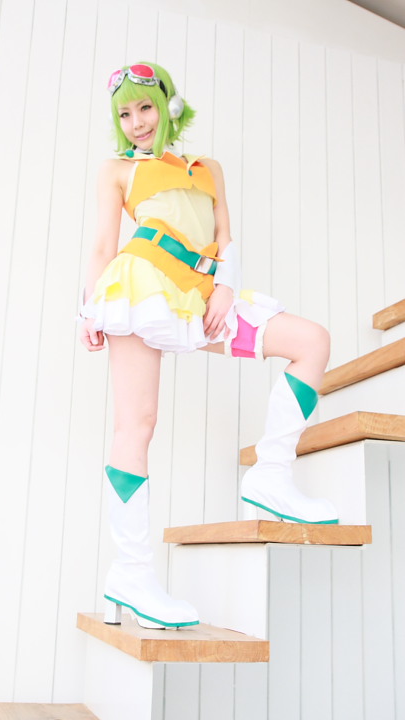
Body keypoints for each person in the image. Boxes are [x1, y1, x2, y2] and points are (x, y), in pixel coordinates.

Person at [78, 62, 338, 630]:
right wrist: (90, 308)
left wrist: (224, 288)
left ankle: (270, 476)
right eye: (125, 114)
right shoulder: (117, 170)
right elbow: (102, 246)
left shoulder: (208, 167)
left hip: (203, 295)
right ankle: (131, 572)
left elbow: (225, 238)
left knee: (311, 341)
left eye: (145, 107)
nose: (137, 122)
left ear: (169, 105)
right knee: (137, 425)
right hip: (142, 288)